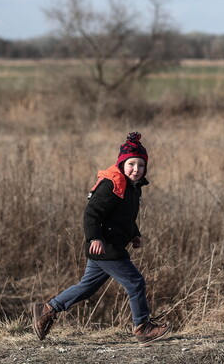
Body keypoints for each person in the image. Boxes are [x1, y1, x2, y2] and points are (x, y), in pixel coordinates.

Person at [32, 131, 172, 347]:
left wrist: (134, 233)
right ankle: (143, 328)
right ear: (122, 164)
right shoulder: (112, 184)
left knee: (87, 286)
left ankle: (47, 309)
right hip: (105, 246)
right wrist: (94, 238)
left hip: (110, 244)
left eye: (141, 165)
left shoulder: (133, 187)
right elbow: (91, 214)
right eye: (131, 164)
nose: (136, 169)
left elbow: (124, 216)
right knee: (135, 282)